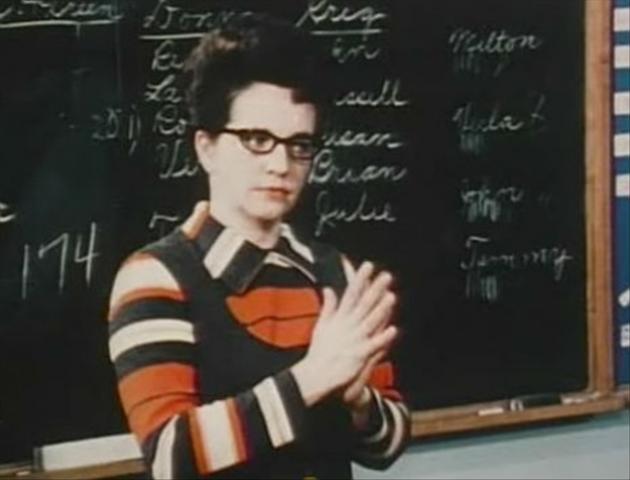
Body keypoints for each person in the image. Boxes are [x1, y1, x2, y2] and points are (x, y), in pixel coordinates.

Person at [107, 13, 409, 479]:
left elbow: (389, 445)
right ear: (206, 148)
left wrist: (359, 401)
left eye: (300, 144)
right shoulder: (155, 277)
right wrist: (313, 378)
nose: (281, 164)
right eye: (257, 139)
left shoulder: (336, 274)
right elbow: (170, 454)